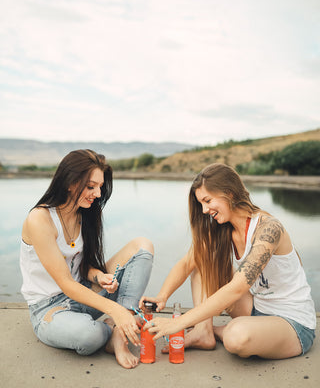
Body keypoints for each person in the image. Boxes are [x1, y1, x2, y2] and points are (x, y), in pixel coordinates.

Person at [141, 163, 316, 359]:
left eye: (207, 200)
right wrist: (162, 296)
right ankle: (203, 332)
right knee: (202, 262)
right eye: (201, 204)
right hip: (255, 309)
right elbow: (186, 264)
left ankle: (213, 330)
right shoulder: (223, 230)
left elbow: (237, 288)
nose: (205, 210)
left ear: (229, 193)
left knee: (236, 337)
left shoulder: (269, 228)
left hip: (292, 323)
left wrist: (177, 323)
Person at [20, 149, 154, 369]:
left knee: (142, 246)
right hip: (49, 309)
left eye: (100, 187)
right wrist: (117, 311)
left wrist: (99, 276)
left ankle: (120, 335)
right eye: (91, 186)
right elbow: (65, 283)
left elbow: (84, 266)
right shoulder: (40, 219)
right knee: (88, 337)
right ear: (70, 182)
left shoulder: (88, 212)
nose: (98, 194)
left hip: (83, 293)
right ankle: (116, 325)